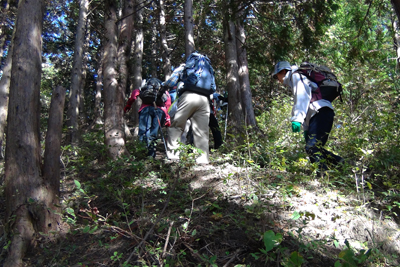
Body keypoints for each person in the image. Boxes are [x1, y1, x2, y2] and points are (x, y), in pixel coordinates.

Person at [272, 61, 343, 176]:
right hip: (321, 112)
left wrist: (297, 119)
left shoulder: (295, 76)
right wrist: (306, 130)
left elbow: (302, 98)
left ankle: (323, 176)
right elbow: (308, 106)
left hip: (320, 112)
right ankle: (341, 163)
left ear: (283, 72)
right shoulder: (298, 78)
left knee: (312, 147)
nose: (277, 79)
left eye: (277, 76)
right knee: (315, 147)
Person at [164, 53, 215, 164]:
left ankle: (173, 158)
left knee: (177, 126)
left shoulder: (184, 66)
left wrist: (163, 86)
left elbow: (171, 81)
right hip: (204, 100)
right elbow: (213, 88)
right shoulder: (208, 68)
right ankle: (203, 161)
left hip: (189, 96)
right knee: (202, 131)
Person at [124, 79, 171, 158]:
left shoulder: (144, 87)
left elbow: (134, 95)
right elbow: (168, 103)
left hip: (145, 109)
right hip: (159, 111)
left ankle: (142, 153)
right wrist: (167, 117)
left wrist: (128, 106)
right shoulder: (162, 90)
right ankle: (151, 155)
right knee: (154, 133)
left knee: (143, 131)